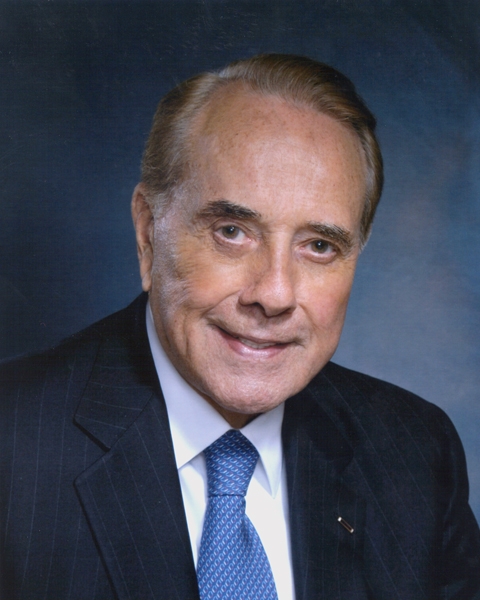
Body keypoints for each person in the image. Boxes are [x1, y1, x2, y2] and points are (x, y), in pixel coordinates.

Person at [1, 54, 479, 600]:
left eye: (319, 246)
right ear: (148, 233)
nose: (273, 295)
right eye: (232, 231)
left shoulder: (414, 453)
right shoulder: (13, 446)